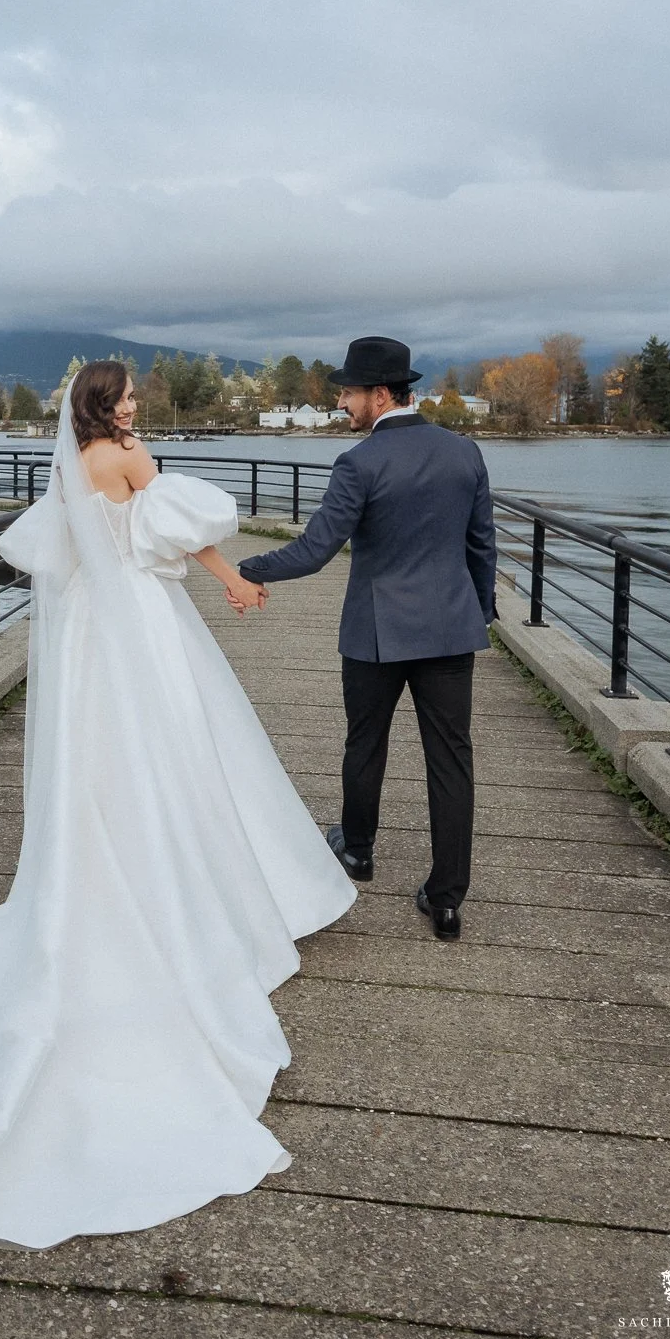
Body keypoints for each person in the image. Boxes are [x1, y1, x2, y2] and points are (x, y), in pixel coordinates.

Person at [0, 360, 355, 1258]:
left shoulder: (69, 466)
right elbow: (180, 536)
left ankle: (108, 863)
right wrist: (235, 581)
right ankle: (185, 894)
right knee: (180, 748)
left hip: (93, 628)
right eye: (125, 394)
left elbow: (66, 551)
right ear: (104, 404)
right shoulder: (128, 457)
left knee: (101, 755)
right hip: (143, 619)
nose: (134, 404)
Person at [237, 336, 496, 939]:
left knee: (365, 743)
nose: (342, 404)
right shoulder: (465, 452)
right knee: (452, 760)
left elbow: (314, 550)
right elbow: (481, 544)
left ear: (380, 395)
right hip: (450, 630)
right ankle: (447, 899)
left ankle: (357, 850)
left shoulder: (360, 462)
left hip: (376, 632)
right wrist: (477, 613)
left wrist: (246, 570)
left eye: (348, 393)